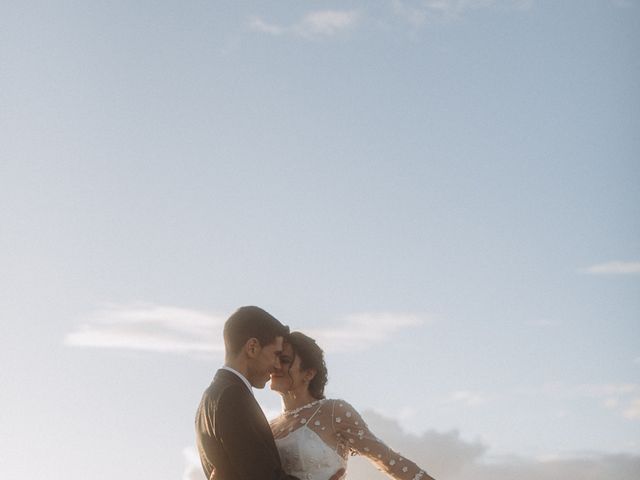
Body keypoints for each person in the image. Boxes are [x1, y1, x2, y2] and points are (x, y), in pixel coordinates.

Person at [195, 306, 345, 480]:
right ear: (252, 347)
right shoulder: (233, 397)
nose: (277, 366)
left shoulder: (209, 398)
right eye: (276, 354)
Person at [270, 332, 436, 480]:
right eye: (275, 358)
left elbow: (388, 460)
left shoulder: (333, 411)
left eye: (284, 360)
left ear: (309, 373)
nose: (275, 365)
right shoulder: (270, 427)